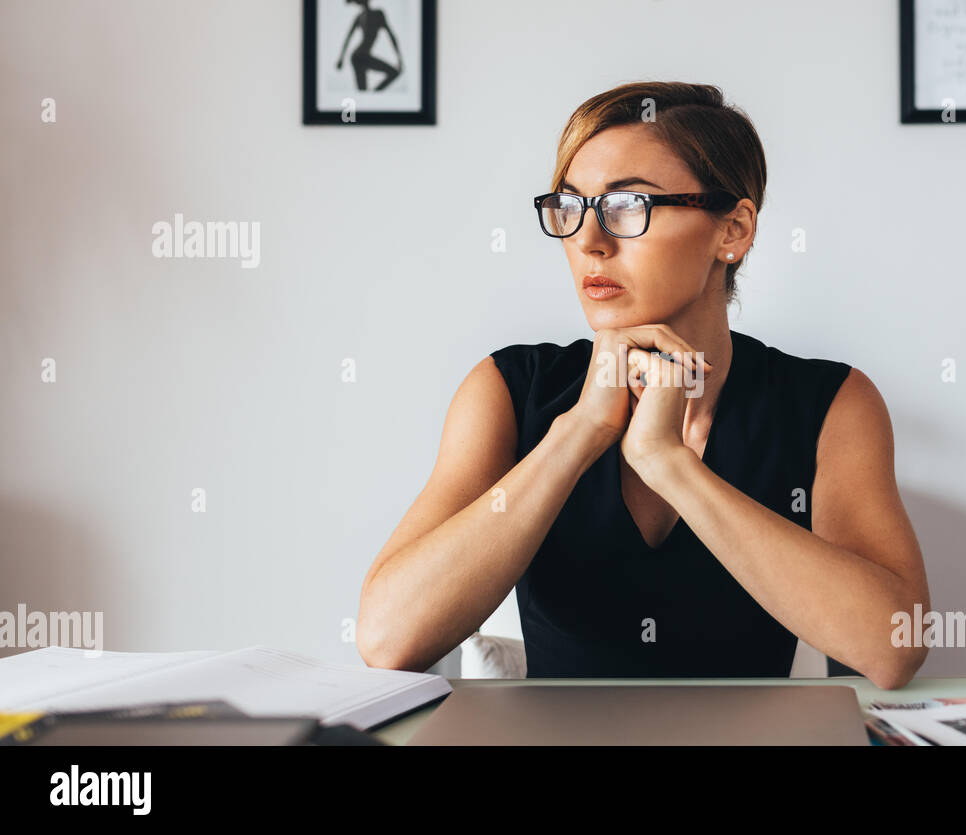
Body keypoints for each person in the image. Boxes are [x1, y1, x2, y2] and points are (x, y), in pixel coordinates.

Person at [358, 82, 930, 686]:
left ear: (732, 231)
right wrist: (580, 431)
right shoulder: (508, 388)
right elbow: (388, 639)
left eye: (628, 206)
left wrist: (668, 463)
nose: (588, 241)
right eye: (571, 206)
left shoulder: (829, 402)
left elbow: (894, 647)